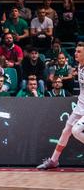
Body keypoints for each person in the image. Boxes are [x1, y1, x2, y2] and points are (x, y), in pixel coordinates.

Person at [37, 42, 84, 170]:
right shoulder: (79, 66)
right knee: (66, 132)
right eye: (75, 51)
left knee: (76, 131)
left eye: (79, 51)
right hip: (80, 106)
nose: (75, 53)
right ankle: (54, 161)